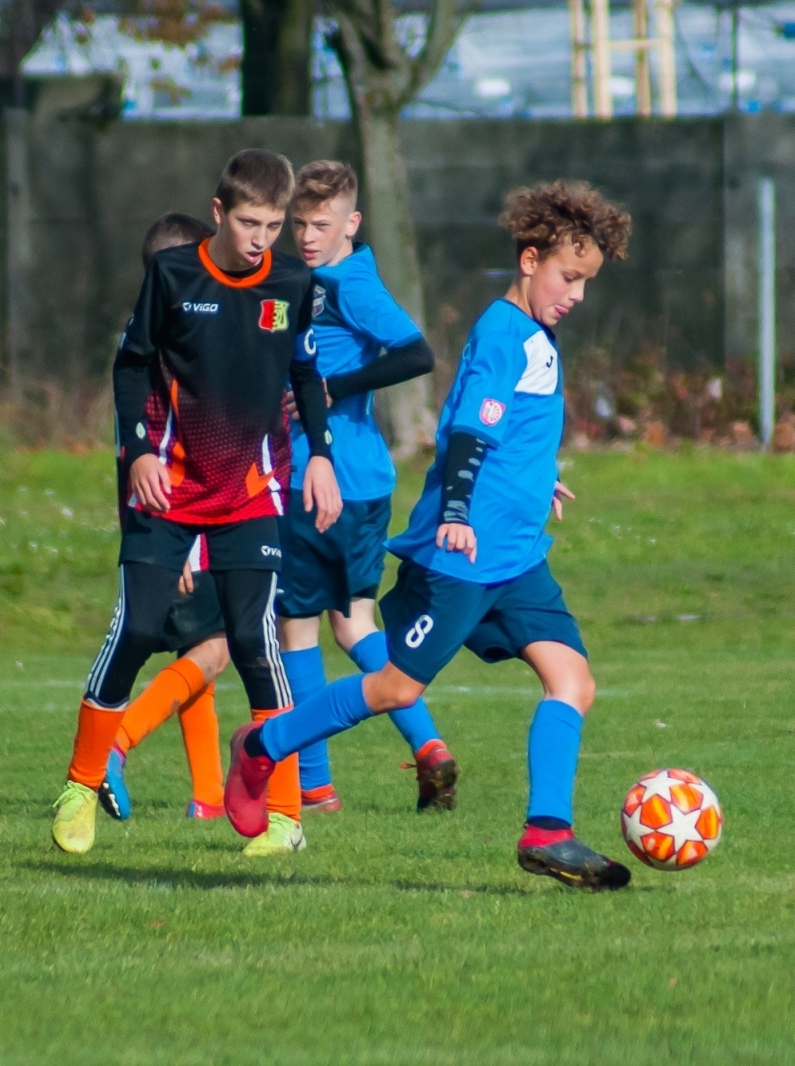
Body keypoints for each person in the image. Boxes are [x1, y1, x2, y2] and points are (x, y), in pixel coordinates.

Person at [225, 181, 633, 889]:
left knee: (573, 680)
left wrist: (540, 481)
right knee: (392, 688)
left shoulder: (537, 334)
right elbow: (472, 427)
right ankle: (263, 745)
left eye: (587, 282)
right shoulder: (506, 333)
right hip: (465, 556)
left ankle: (547, 833)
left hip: (517, 558)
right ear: (531, 259)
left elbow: (510, 432)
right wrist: (453, 517)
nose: (577, 295)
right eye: (569, 277)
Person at [51, 149, 341, 857]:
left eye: (274, 225)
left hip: (253, 490)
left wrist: (322, 458)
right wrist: (140, 450)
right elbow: (129, 367)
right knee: (139, 628)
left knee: (253, 641)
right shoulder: (173, 276)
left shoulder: (294, 281)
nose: (261, 239)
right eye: (249, 222)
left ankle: (284, 819)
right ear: (218, 212)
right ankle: (81, 787)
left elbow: (306, 373)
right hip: (169, 486)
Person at [279, 160, 457, 814]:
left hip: (316, 477)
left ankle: (315, 785)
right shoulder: (314, 277)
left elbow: (416, 353)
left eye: (320, 224)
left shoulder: (345, 283)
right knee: (354, 624)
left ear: (351, 222)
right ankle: (430, 748)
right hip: (365, 479)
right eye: (299, 223)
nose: (305, 235)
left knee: (295, 626)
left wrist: (333, 388)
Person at [97, 213, 234, 824]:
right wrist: (179, 544)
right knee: (213, 649)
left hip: (174, 517)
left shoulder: (155, 334)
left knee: (197, 648)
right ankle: (115, 742)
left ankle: (208, 797)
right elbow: (159, 449)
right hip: (176, 521)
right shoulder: (165, 347)